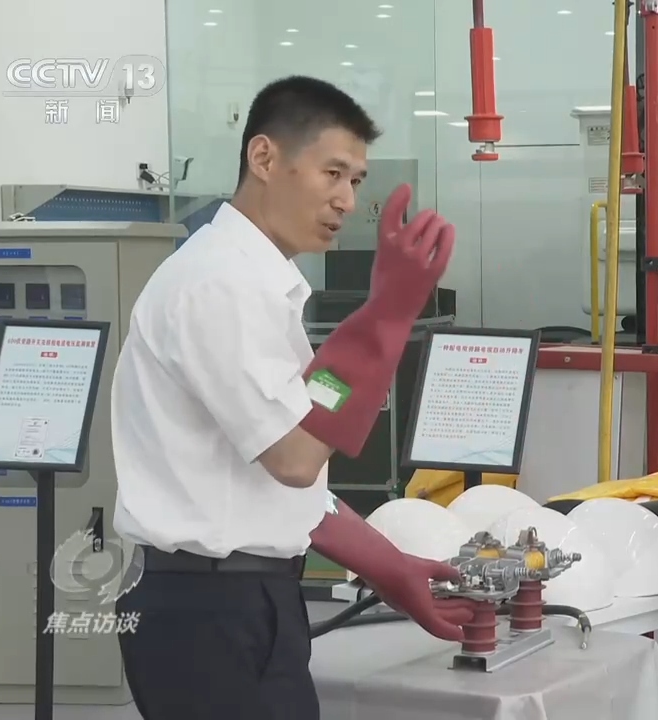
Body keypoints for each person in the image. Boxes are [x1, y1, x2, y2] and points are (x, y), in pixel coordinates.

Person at [110, 75, 476, 720]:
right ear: (264, 157)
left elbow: (293, 470)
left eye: (356, 180)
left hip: (239, 600)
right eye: (332, 173)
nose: (346, 200)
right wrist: (383, 318)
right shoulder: (219, 285)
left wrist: (389, 566)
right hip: (208, 611)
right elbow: (296, 456)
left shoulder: (257, 286)